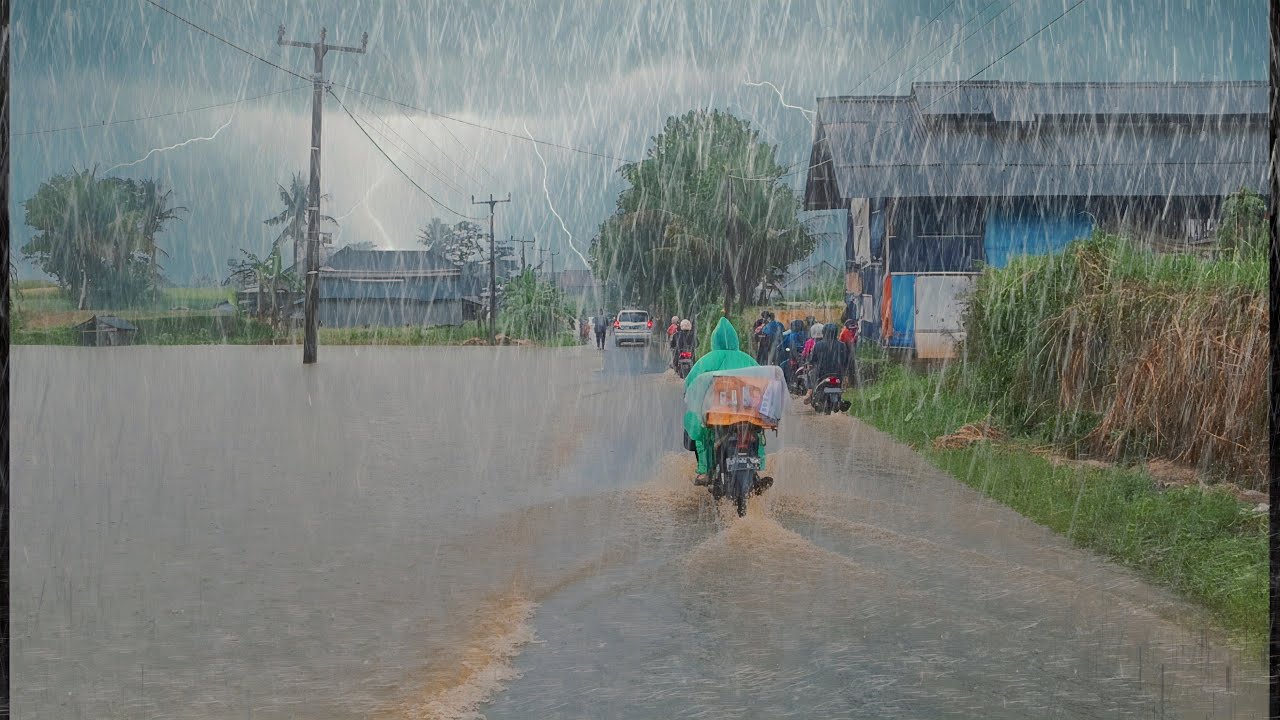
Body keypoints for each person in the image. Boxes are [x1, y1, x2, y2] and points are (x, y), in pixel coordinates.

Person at [682, 317, 765, 486]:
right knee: (756, 433)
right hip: (745, 413)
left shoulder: (706, 360)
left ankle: (704, 471)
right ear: (735, 339)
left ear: (714, 340)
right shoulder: (747, 359)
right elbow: (763, 383)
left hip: (717, 414)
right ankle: (756, 470)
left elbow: (691, 384)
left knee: (702, 434)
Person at [806, 323, 850, 405]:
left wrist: (810, 365)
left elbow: (813, 360)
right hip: (838, 374)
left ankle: (810, 392)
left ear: (824, 332)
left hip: (821, 374)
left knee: (809, 373)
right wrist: (845, 374)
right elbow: (846, 361)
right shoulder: (842, 345)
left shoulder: (818, 345)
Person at [779, 319, 808, 385]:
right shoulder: (805, 334)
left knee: (782, 366)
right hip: (805, 357)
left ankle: (786, 383)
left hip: (795, 357)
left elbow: (786, 345)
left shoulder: (792, 335)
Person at [838, 319, 859, 385]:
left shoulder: (853, 331)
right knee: (847, 366)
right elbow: (850, 342)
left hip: (848, 349)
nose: (852, 330)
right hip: (845, 349)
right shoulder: (845, 331)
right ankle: (848, 382)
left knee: (850, 366)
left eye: (854, 329)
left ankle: (850, 382)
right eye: (851, 329)